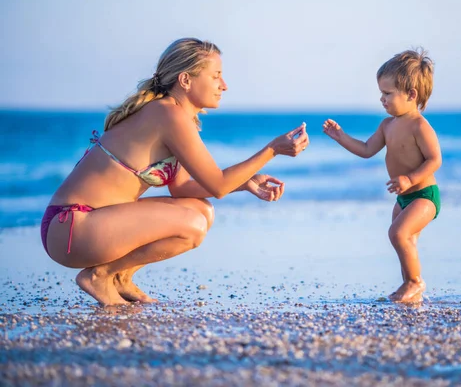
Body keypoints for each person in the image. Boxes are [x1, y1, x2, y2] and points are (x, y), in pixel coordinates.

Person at [40, 38, 310, 306]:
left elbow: (181, 188)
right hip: (71, 227)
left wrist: (246, 183)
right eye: (216, 76)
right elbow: (218, 185)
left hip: (88, 226)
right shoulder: (168, 115)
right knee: (193, 225)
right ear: (185, 80)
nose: (224, 85)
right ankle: (101, 275)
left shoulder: (175, 115)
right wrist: (273, 149)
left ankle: (121, 276)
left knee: (201, 211)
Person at [322, 48, 441, 304]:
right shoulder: (387, 125)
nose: (382, 99)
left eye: (387, 93)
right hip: (404, 199)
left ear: (411, 95)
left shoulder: (420, 126)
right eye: (381, 93)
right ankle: (410, 286)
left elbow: (435, 160)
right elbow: (366, 150)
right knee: (405, 241)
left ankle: (414, 281)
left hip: (424, 196)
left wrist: (409, 179)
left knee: (398, 234)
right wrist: (341, 137)